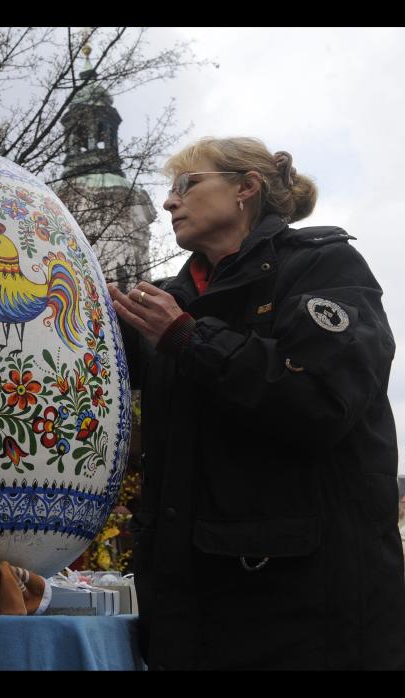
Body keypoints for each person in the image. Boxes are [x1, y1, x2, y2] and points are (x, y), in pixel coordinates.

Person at [109, 137, 405, 670]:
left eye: (186, 184)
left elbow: (318, 404)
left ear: (245, 188)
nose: (171, 202)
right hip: (185, 618)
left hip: (305, 622)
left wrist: (188, 338)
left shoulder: (325, 267)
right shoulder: (166, 303)